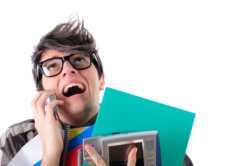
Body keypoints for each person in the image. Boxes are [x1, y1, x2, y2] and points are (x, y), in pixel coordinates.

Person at [0, 15, 193, 166]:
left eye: (78, 60)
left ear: (101, 80)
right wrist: (51, 154)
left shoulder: (152, 130)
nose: (68, 70)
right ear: (42, 90)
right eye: (52, 66)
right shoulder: (17, 139)